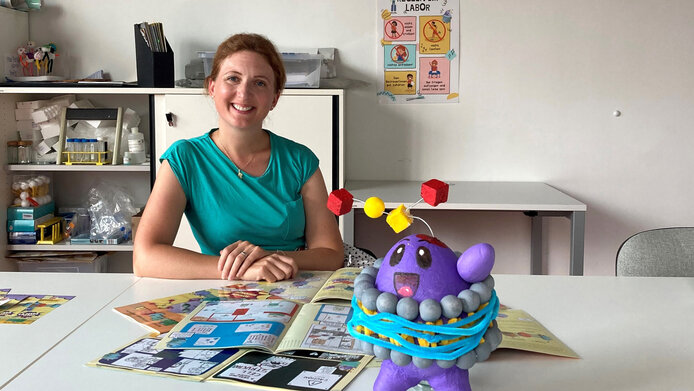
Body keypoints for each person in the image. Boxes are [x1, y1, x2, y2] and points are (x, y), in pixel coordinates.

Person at [133, 33, 344, 282]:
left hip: (293, 286)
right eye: (233, 78)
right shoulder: (185, 159)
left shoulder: (300, 160)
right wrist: (244, 270)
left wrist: (269, 259)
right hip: (222, 292)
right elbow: (145, 258)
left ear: (275, 98)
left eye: (260, 83)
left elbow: (331, 254)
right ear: (212, 87)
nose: (243, 93)